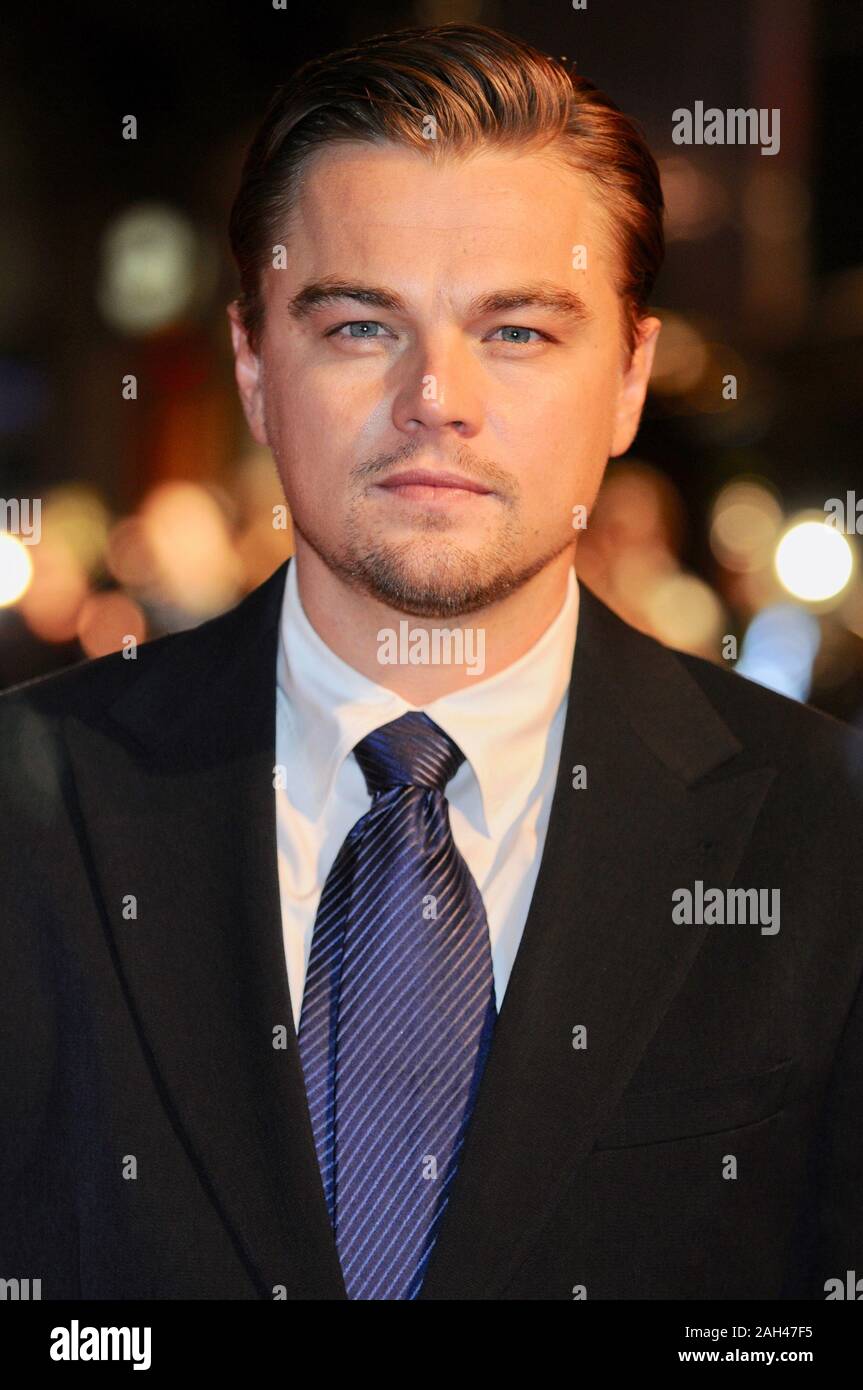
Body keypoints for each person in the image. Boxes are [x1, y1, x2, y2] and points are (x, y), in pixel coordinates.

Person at [2, 22, 861, 1302]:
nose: (436, 398)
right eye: (358, 325)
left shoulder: (827, 832)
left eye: (517, 332)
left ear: (628, 375)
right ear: (251, 366)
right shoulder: (29, 805)